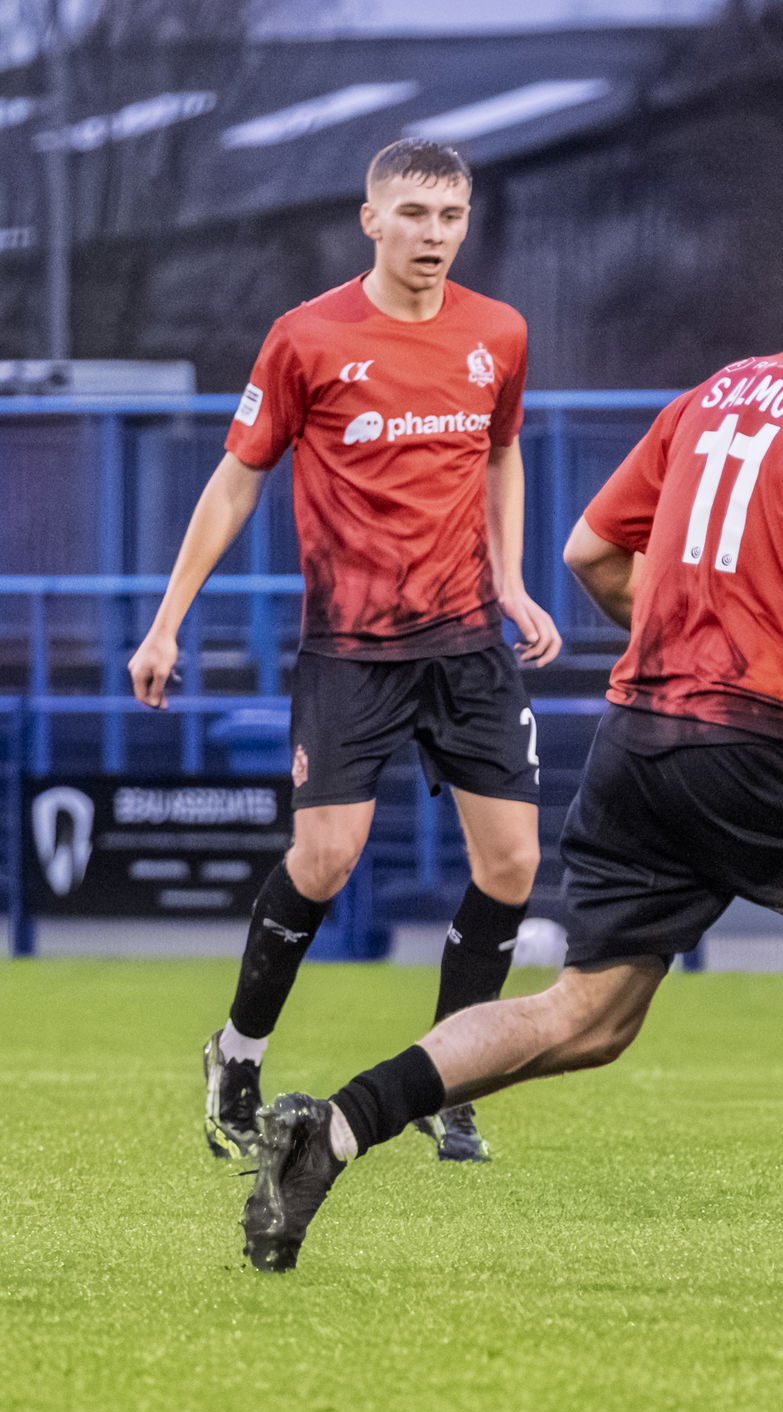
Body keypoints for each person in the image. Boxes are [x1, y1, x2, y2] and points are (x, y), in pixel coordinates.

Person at [238, 221, 783, 1277]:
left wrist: (688, 642)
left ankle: (336, 1128)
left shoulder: (714, 394)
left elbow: (590, 549)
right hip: (761, 747)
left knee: (587, 1015)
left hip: (638, 740)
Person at [131, 139, 560, 1166]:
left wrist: (511, 580)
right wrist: (166, 619)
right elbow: (236, 480)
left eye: (450, 216)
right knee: (324, 859)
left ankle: (449, 1082)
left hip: (468, 642)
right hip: (351, 649)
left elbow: (500, 452)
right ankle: (236, 1055)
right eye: (413, 214)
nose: (433, 234)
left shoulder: (498, 331)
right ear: (371, 219)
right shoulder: (306, 337)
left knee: (512, 863)